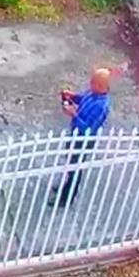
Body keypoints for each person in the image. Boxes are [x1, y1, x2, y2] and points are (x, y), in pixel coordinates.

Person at [52, 68, 111, 208]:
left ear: (101, 86)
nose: (90, 84)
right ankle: (65, 188)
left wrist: (74, 114)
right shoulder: (93, 94)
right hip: (75, 135)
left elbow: (89, 130)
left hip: (84, 141)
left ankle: (67, 198)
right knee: (71, 164)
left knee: (75, 169)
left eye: (93, 82)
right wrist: (72, 96)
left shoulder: (101, 106)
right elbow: (83, 99)